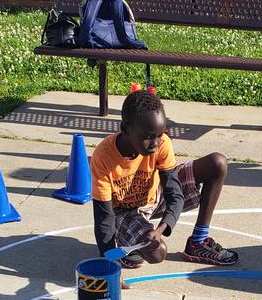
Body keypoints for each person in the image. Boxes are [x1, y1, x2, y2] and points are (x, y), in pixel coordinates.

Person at [91, 89, 239, 276]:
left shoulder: (162, 143)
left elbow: (174, 194)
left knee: (217, 163)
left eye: (160, 134)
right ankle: (128, 245)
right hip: (124, 210)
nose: (155, 143)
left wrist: (161, 228)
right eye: (148, 137)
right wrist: (109, 265)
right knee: (157, 252)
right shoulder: (103, 156)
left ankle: (198, 242)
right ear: (126, 128)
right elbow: (104, 217)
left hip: (155, 198)